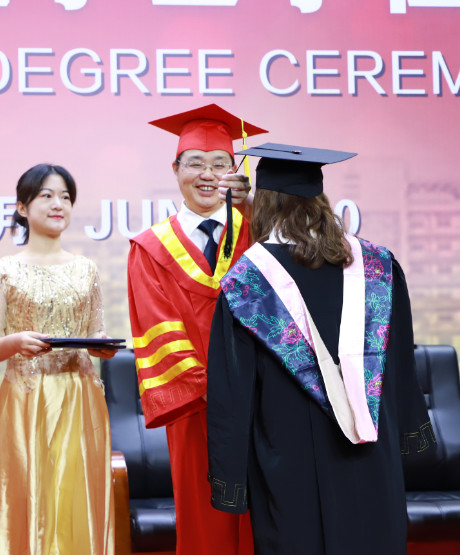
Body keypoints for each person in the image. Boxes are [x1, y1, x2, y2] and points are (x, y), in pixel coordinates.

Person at [206, 143, 437, 555]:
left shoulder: (247, 282)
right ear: (320, 199)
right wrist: (408, 436)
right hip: (370, 455)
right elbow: (400, 363)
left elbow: (232, 393)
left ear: (264, 204)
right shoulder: (378, 265)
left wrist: (231, 480)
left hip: (288, 460)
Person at [127, 104, 267, 555]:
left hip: (264, 401)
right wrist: (215, 390)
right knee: (204, 516)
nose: (207, 174)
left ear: (235, 173)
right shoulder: (150, 249)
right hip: (196, 407)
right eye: (195, 163)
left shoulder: (260, 236)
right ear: (176, 170)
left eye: (220, 163)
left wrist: (254, 209)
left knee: (268, 516)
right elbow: (157, 327)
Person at [0, 164, 117, 554]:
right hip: (25, 398)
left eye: (65, 197)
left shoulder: (87, 269)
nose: (58, 204)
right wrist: (14, 342)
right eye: (47, 195)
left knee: (76, 498)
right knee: (27, 495)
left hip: (80, 398)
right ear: (21, 207)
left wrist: (101, 346)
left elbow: (96, 333)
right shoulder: (6, 270)